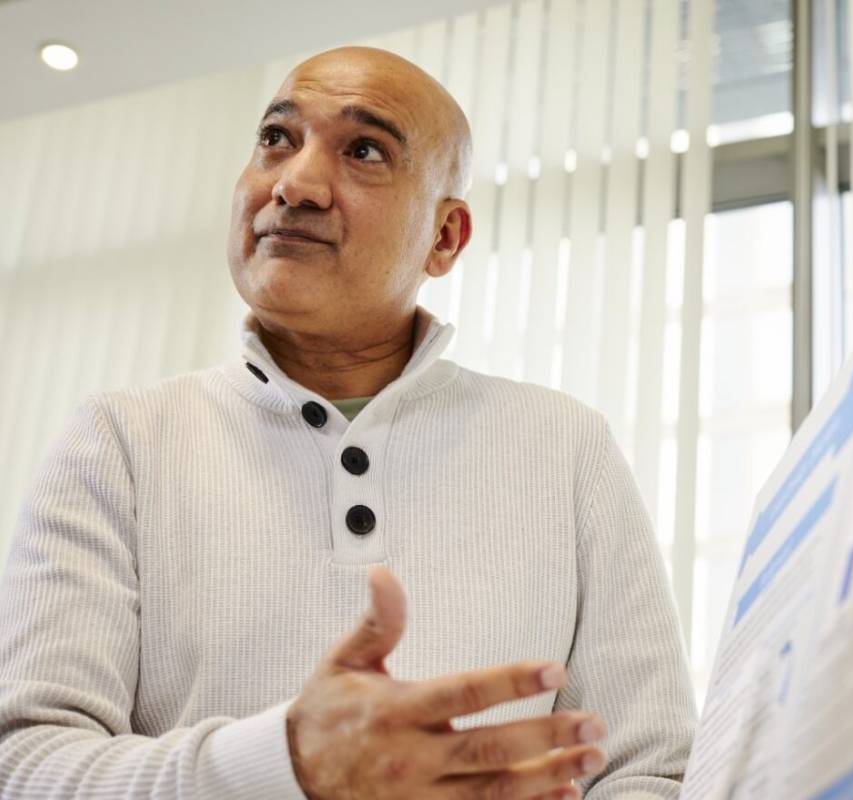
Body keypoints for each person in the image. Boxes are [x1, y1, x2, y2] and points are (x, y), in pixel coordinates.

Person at [0, 46, 696, 799]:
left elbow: (650, 770)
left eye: (364, 150)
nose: (294, 183)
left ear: (445, 238)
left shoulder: (566, 447)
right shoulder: (119, 441)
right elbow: (24, 764)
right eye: (276, 138)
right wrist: (284, 761)